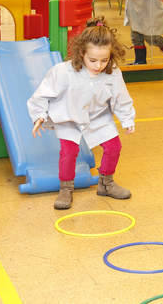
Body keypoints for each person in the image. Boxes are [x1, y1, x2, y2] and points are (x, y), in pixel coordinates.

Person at [27, 17, 135, 210]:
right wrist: (40, 115)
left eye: (104, 60)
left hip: (98, 117)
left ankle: (106, 183)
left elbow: (121, 97)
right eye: (92, 60)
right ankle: (66, 189)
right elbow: (42, 94)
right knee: (69, 152)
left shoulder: (113, 73)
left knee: (114, 147)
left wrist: (127, 118)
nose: (98, 65)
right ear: (81, 53)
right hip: (70, 117)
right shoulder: (63, 72)